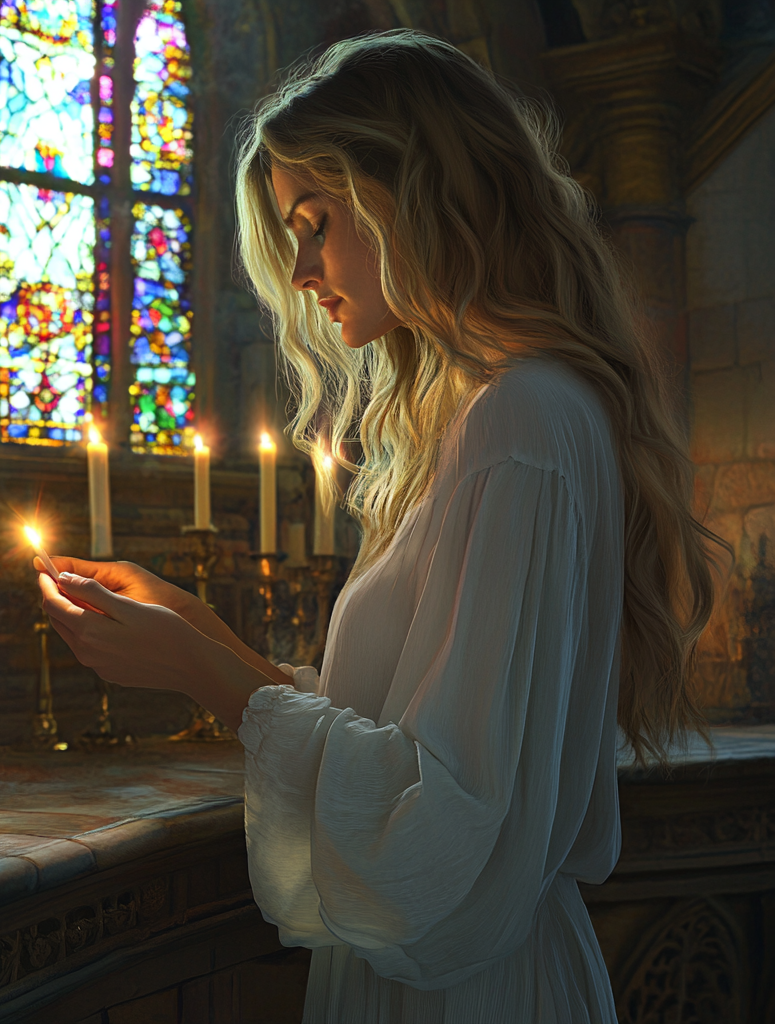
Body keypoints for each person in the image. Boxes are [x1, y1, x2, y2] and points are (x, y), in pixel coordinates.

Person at [38, 31, 720, 1024]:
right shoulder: (496, 413)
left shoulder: (521, 421)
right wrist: (201, 634)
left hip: (466, 989)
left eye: (316, 222)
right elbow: (407, 726)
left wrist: (201, 674)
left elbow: (445, 824)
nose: (304, 269)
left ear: (418, 192)